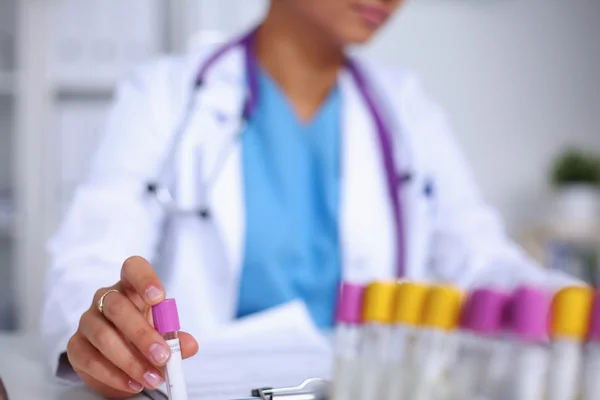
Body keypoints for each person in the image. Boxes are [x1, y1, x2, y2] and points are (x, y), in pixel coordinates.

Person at [41, 0, 579, 398]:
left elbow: (482, 257)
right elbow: (91, 258)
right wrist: (104, 335)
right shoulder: (165, 93)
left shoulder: (408, 110)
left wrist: (572, 306)